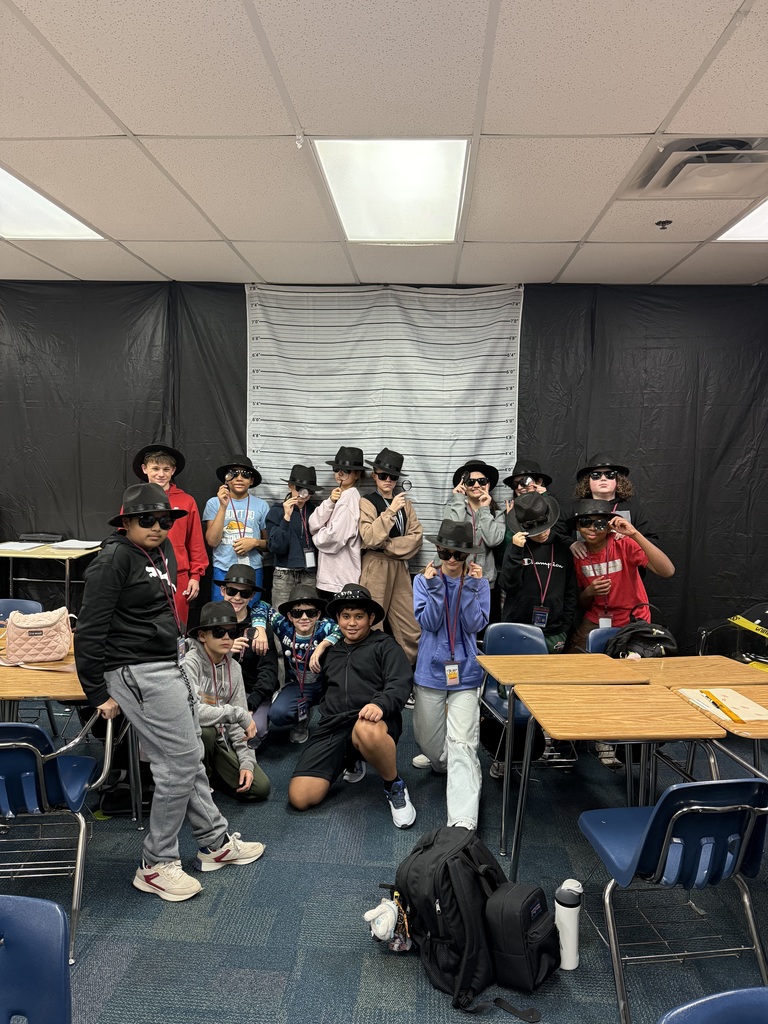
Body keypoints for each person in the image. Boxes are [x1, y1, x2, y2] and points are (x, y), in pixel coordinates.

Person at [74, 482, 265, 902]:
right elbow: (88, 629)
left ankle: (215, 844)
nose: (158, 527)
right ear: (126, 521)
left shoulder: (162, 552)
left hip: (167, 663)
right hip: (136, 671)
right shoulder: (113, 560)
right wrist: (95, 692)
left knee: (188, 756)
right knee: (179, 764)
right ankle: (156, 864)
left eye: (165, 520)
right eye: (148, 520)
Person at [288, 584, 416, 829]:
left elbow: (400, 683)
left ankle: (394, 785)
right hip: (334, 725)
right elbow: (324, 689)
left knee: (366, 729)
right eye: (346, 616)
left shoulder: (386, 645)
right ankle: (351, 757)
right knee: (300, 797)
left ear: (370, 618)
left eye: (359, 616)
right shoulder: (331, 652)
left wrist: (380, 704)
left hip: (374, 722)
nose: (352, 623)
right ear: (338, 619)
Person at [411, 521, 490, 831]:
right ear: (438, 551)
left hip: (467, 673)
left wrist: (470, 588)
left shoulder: (478, 583)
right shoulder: (422, 580)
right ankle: (440, 760)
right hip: (430, 672)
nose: (452, 560)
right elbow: (429, 623)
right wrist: (434, 588)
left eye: (458, 554)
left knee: (463, 744)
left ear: (468, 555)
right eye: (446, 552)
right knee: (430, 744)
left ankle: (462, 821)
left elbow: (473, 626)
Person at [185, 602, 270, 802]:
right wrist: (238, 714)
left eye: (231, 633)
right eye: (218, 631)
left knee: (260, 788)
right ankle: (196, 787)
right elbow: (193, 712)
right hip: (191, 743)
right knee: (204, 730)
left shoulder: (234, 668)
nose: (226, 637)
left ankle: (211, 777)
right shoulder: (190, 663)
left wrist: (246, 763)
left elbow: (238, 726)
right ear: (202, 636)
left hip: (221, 743)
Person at [567, 498, 675, 653]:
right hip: (596, 617)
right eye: (585, 522)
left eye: (600, 523)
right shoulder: (579, 554)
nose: (592, 528)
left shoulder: (623, 544)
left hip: (633, 617)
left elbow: (668, 571)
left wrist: (634, 534)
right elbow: (580, 603)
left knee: (630, 664)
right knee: (576, 657)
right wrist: (589, 592)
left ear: (609, 526)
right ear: (578, 526)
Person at [251, 584, 341, 743]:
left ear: (318, 615)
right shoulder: (283, 625)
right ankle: (302, 718)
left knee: (338, 720)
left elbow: (345, 627)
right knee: (277, 714)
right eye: (297, 613)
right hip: (297, 684)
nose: (304, 617)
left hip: (327, 684)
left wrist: (324, 644)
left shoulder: (326, 626)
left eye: (311, 612)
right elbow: (260, 605)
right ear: (290, 616)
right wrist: (259, 629)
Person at [132, 443, 208, 627]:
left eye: (166, 469)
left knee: (177, 627)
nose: (161, 474)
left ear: (173, 470)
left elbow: (195, 542)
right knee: (142, 625)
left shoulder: (186, 501)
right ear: (144, 469)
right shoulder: (134, 500)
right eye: (155, 468)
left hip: (178, 576)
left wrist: (195, 576)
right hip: (142, 574)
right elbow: (124, 537)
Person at [359, 447, 422, 665]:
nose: (388, 480)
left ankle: (407, 677)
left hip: (399, 566)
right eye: (383, 475)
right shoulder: (367, 501)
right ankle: (372, 676)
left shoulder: (406, 503)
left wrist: (387, 545)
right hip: (375, 565)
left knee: (410, 626)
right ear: (374, 475)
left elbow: (416, 538)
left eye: (393, 476)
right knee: (372, 622)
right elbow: (369, 538)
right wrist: (391, 511)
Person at [501, 492, 578, 653]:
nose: (542, 533)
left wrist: (565, 627)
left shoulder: (563, 547)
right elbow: (509, 585)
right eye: (535, 531)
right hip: (518, 626)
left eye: (544, 527)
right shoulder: (517, 547)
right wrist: (516, 552)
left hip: (554, 630)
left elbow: (571, 591)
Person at [215, 564, 279, 746]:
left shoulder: (260, 628)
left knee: (254, 730)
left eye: (244, 594)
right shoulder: (211, 621)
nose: (236, 597)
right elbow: (199, 663)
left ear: (251, 596)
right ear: (222, 590)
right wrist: (226, 650)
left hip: (251, 692)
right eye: (232, 591)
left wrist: (250, 705)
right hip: (218, 690)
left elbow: (269, 671)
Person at [444, 458, 506, 619]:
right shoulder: (453, 508)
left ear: (488, 485)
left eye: (481, 481)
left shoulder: (497, 514)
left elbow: (493, 540)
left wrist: (485, 510)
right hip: (457, 579)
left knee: (483, 631)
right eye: (470, 482)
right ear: (464, 486)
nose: (476, 485)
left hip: (484, 582)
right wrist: (458, 500)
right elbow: (452, 537)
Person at [203, 454, 269, 599]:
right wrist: (222, 506)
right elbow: (212, 541)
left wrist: (255, 542)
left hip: (252, 570)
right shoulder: (213, 503)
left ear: (251, 481)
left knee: (251, 614)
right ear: (226, 478)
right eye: (234, 474)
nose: (239, 478)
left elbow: (269, 544)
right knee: (222, 614)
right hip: (223, 569)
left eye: (245, 475)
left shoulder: (262, 505)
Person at [568, 452, 657, 558]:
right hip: (585, 570)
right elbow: (554, 534)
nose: (603, 478)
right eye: (596, 475)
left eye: (610, 475)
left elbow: (653, 543)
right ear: (587, 481)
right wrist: (570, 543)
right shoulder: (575, 508)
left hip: (626, 570)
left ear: (618, 481)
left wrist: (632, 538)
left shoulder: (633, 509)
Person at [309, 446, 365, 599]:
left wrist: (315, 536)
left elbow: (333, 538)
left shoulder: (350, 498)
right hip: (331, 578)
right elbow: (312, 523)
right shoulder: (339, 496)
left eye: (346, 471)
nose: (340, 473)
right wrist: (330, 501)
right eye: (337, 469)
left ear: (357, 474)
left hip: (340, 580)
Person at [265, 464, 322, 611]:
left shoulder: (316, 511)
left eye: (309, 491)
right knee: (281, 617)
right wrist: (286, 517)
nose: (304, 494)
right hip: (284, 573)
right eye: (299, 489)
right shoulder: (276, 511)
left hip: (309, 572)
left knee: (308, 615)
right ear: (290, 486)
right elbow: (276, 546)